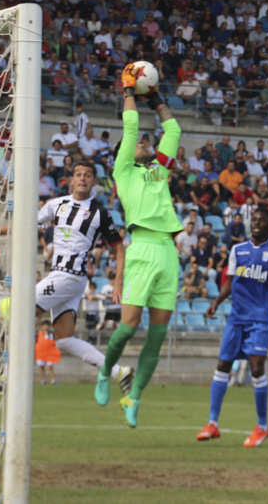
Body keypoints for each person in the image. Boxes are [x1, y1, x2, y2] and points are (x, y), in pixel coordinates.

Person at [0, 161, 132, 396]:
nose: (82, 179)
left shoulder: (100, 213)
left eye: (88, 175)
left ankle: (8, 378)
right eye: (78, 174)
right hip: (65, 278)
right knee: (64, 340)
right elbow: (25, 224)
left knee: (18, 312)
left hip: (69, 277)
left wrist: (118, 282)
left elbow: (119, 249)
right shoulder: (56, 205)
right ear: (71, 179)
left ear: (94, 181)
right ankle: (120, 371)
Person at [97, 63, 183, 428]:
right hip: (143, 249)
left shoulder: (159, 171)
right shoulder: (124, 171)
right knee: (129, 327)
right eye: (140, 145)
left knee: (158, 335)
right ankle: (105, 372)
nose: (145, 144)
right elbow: (130, 127)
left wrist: (156, 98)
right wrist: (129, 89)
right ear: (126, 154)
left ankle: (133, 397)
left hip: (168, 253)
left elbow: (173, 128)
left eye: (148, 143)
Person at [198, 210, 268, 448]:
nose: (257, 223)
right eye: (255, 220)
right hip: (236, 317)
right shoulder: (237, 250)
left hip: (261, 318)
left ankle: (262, 426)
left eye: (262, 220)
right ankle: (212, 423)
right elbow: (230, 282)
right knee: (222, 365)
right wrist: (216, 302)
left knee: (256, 368)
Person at [35, 320, 61, 385]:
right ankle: (43, 379)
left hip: (49, 353)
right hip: (41, 353)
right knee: (42, 367)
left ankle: (53, 380)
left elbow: (54, 343)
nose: (46, 327)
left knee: (50, 366)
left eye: (47, 325)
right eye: (44, 325)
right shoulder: (39, 334)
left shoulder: (51, 334)